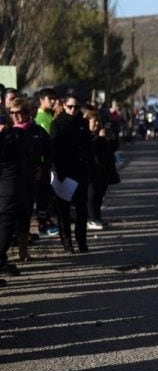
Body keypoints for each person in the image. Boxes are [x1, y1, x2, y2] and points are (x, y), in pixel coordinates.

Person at [51, 94, 95, 253]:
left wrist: (90, 167)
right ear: (64, 106)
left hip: (81, 172)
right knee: (63, 211)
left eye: (76, 107)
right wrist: (57, 172)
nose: (73, 110)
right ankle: (67, 242)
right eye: (70, 106)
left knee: (81, 209)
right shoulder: (58, 124)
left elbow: (89, 148)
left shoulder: (82, 123)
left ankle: (81, 241)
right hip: (64, 173)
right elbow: (54, 150)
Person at [10, 98, 56, 248]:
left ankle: (23, 243)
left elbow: (49, 152)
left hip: (31, 178)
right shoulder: (7, 131)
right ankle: (12, 238)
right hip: (10, 180)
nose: (15, 116)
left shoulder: (37, 131)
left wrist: (43, 168)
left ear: (27, 113)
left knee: (26, 210)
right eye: (12, 112)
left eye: (19, 112)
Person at [0, 105, 27, 283]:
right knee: (5, 224)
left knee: (6, 224)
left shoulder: (14, 137)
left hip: (10, 187)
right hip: (7, 189)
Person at [83, 109, 120, 231]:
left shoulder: (101, 133)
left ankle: (97, 218)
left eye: (98, 122)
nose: (97, 124)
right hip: (90, 170)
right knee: (91, 195)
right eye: (94, 122)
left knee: (99, 196)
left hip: (103, 170)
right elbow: (90, 149)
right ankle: (91, 219)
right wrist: (100, 138)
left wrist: (112, 138)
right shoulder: (84, 135)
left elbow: (113, 148)